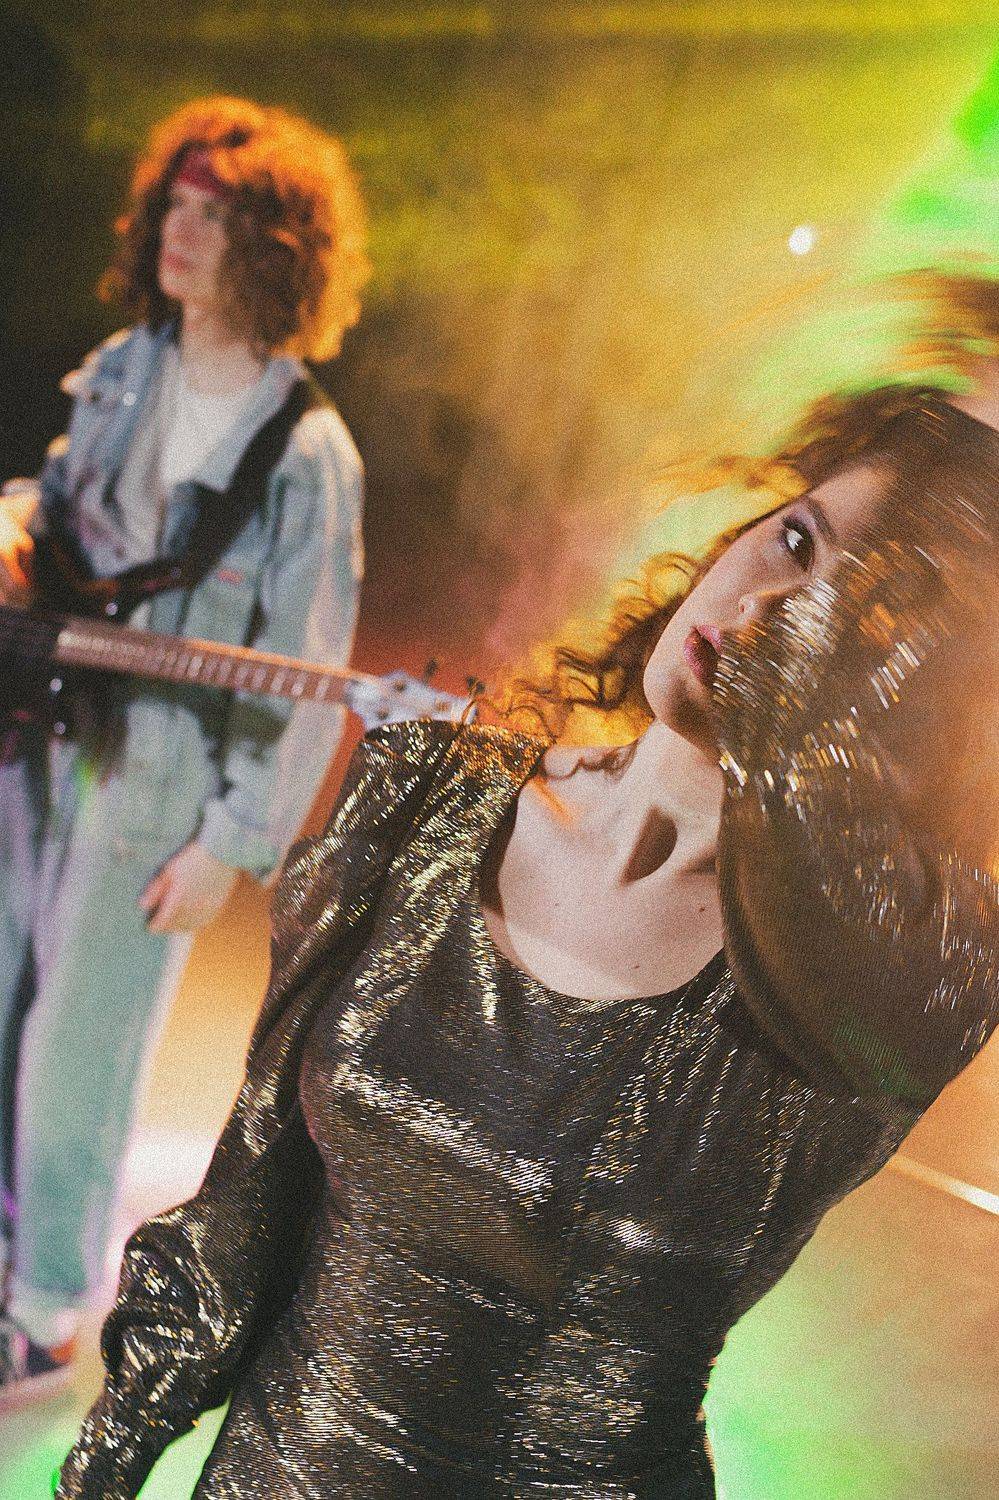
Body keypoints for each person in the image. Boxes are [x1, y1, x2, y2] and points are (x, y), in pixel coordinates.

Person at [58, 342, 999, 1490]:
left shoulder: (878, 984)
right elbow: (242, 1211)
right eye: (796, 540)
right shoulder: (427, 800)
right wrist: (107, 1458)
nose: (765, 607)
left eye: (860, 620)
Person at [0, 95, 369, 1401]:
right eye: (177, 202)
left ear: (274, 246)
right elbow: (55, 510)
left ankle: (44, 1303)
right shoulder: (123, 366)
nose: (182, 230)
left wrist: (233, 842)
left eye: (218, 215)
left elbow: (306, 670)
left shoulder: (306, 451)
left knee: (79, 1051)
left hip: (155, 784)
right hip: (40, 740)